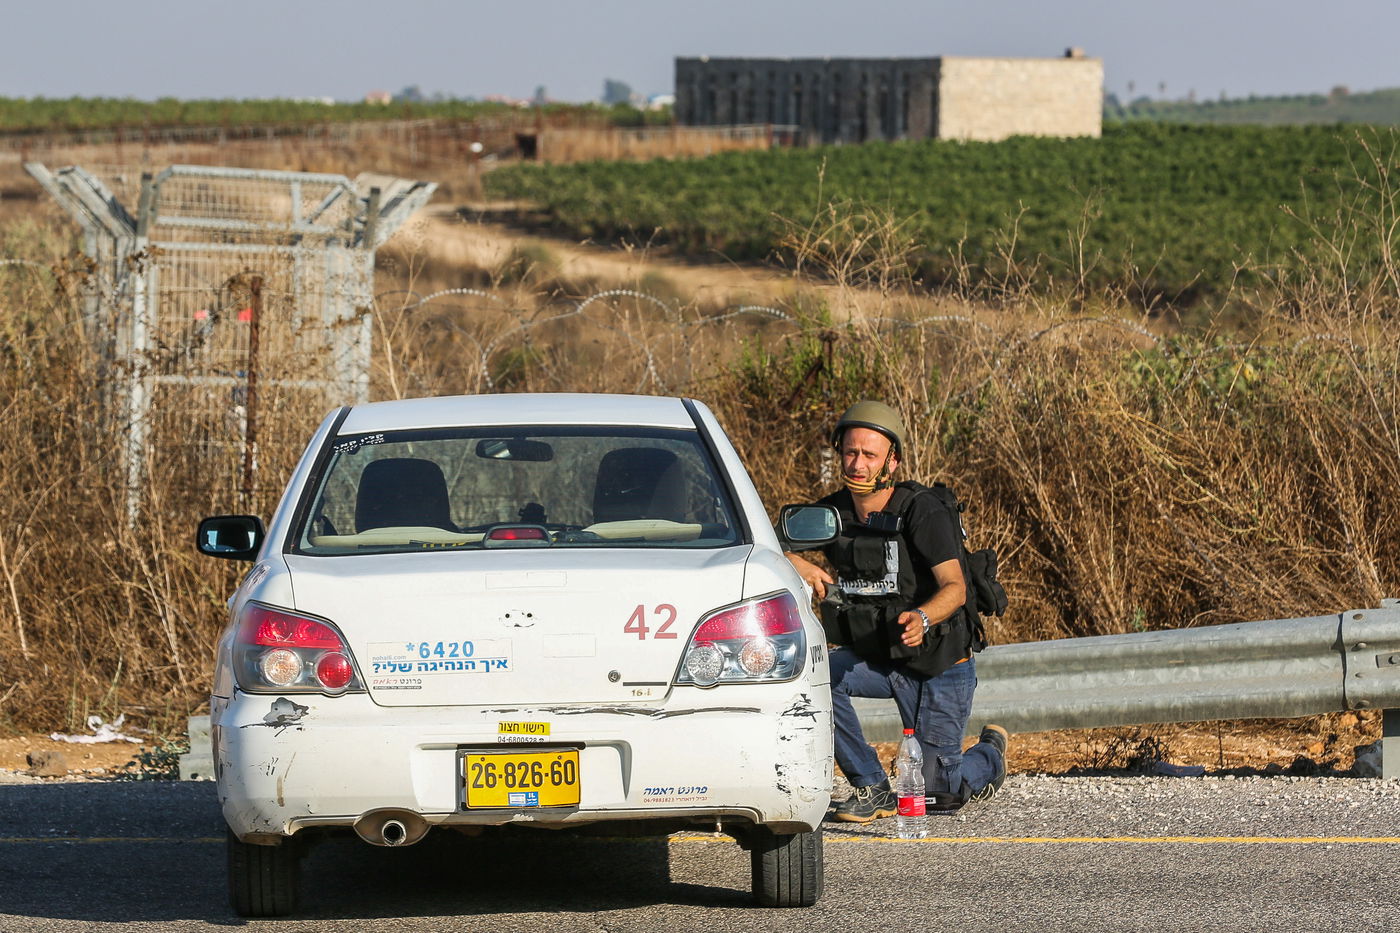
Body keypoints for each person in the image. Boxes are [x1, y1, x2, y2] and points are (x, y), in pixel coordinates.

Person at [786, 400, 1007, 822]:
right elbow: (764, 544)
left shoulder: (922, 510)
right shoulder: (831, 513)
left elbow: (956, 589)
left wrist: (922, 618)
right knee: (814, 677)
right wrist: (802, 564)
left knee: (939, 796)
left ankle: (990, 757)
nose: (857, 464)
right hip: (882, 659)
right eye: (850, 452)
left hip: (939, 664)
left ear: (892, 460)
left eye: (869, 455)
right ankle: (871, 786)